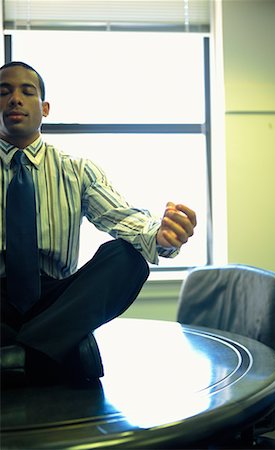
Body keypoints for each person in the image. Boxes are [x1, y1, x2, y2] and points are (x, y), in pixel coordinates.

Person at [0, 61, 197, 385]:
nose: (15, 99)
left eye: (27, 91)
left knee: (128, 258)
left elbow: (124, 218)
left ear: (44, 108)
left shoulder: (76, 170)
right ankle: (57, 350)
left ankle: (20, 357)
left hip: (57, 303)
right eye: (4, 92)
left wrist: (160, 235)